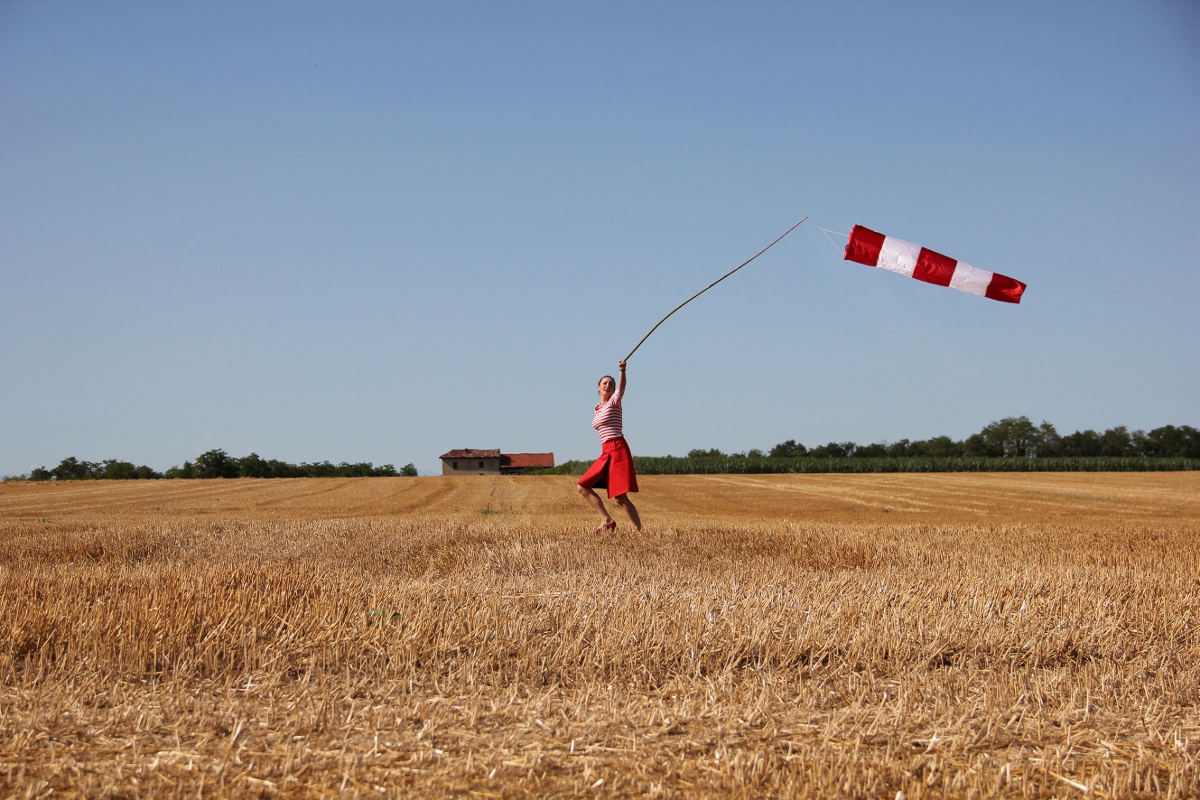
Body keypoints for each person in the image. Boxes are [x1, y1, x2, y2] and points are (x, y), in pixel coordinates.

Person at [577, 360, 642, 532]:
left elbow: (621, 389)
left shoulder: (614, 402)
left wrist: (622, 371)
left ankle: (639, 531)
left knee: (620, 498)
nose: (608, 386)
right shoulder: (597, 409)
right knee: (582, 486)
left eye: (611, 384)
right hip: (606, 451)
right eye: (604, 383)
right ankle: (606, 519)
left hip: (618, 448)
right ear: (598, 387)